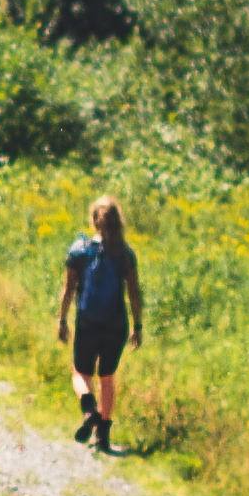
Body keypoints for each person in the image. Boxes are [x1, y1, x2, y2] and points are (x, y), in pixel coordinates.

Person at [57, 191, 144, 449]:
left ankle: (88, 410)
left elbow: (68, 289)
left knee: (80, 372)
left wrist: (62, 319)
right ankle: (103, 436)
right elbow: (134, 292)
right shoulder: (125, 254)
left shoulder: (80, 250)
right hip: (116, 323)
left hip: (88, 322)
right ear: (118, 221)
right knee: (107, 376)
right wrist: (137, 327)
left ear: (95, 221)